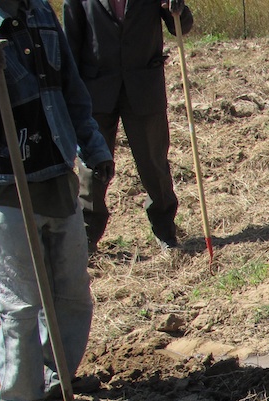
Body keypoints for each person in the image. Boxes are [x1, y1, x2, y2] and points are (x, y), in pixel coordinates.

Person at [0, 0, 113, 401]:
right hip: (3, 182)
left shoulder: (41, 13)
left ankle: (58, 378)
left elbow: (71, 89)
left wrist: (93, 147)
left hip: (56, 172)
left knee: (73, 295)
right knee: (20, 304)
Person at [63, 0, 192, 251]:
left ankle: (165, 229)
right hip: (96, 91)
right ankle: (87, 236)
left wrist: (178, 8)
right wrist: (71, 94)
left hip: (144, 87)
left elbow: (181, 27)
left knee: (154, 164)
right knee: (91, 170)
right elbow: (70, 44)